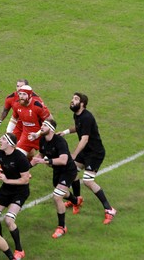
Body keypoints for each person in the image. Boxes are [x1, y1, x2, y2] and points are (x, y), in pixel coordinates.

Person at [59, 92, 117, 224]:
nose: (72, 100)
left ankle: (109, 209)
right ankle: (77, 200)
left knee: (88, 181)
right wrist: (65, 132)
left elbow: (84, 139)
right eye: (72, 98)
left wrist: (74, 154)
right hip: (86, 152)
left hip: (95, 154)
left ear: (82, 104)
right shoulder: (77, 114)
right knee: (71, 170)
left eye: (76, 99)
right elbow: (78, 128)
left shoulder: (87, 117)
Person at [31, 119, 83, 238]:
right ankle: (76, 201)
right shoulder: (43, 140)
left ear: (51, 129)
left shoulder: (60, 142)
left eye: (44, 125)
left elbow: (64, 160)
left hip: (68, 171)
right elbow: (40, 155)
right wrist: (27, 167)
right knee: (61, 192)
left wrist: (46, 161)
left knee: (57, 196)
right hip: (57, 170)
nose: (41, 127)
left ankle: (62, 227)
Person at [5, 85, 52, 160]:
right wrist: (8, 132)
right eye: (20, 94)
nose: (21, 96)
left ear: (30, 95)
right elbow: (14, 118)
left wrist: (37, 134)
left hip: (42, 137)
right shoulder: (17, 105)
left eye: (24, 94)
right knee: (16, 157)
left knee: (51, 161)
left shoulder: (37, 106)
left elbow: (50, 121)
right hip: (26, 137)